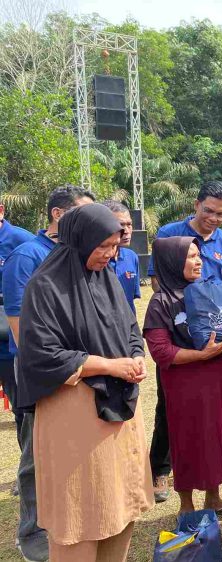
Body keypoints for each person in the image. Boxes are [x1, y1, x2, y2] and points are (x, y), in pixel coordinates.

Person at [16, 203, 153, 562]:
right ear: (79, 240)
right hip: (73, 415)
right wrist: (108, 365)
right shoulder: (44, 287)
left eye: (115, 246)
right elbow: (41, 355)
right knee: (79, 511)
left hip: (119, 411)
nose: (111, 254)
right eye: (103, 245)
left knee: (119, 505)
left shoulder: (106, 278)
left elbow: (129, 329)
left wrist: (136, 356)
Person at [2, 185, 95, 562]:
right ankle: (34, 533)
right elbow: (23, 331)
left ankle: (73, 520)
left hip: (83, 369)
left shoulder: (81, 254)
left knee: (76, 452)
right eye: (82, 213)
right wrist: (57, 370)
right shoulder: (27, 257)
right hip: (42, 374)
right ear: (59, 215)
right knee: (36, 457)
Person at [147, 180, 222, 502]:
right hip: (183, 340)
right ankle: (160, 469)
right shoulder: (171, 235)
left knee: (216, 420)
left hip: (217, 344)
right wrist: (183, 306)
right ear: (196, 204)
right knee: (171, 415)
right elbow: (161, 277)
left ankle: (214, 492)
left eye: (221, 215)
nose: (214, 218)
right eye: (209, 211)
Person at [0, 201, 34, 451]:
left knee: (22, 407)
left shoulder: (23, 242)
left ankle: (30, 472)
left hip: (7, 340)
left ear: (1, 210)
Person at [102, 200, 141, 314]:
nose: (127, 231)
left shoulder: (131, 257)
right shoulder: (93, 261)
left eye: (129, 224)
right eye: (121, 225)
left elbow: (131, 298)